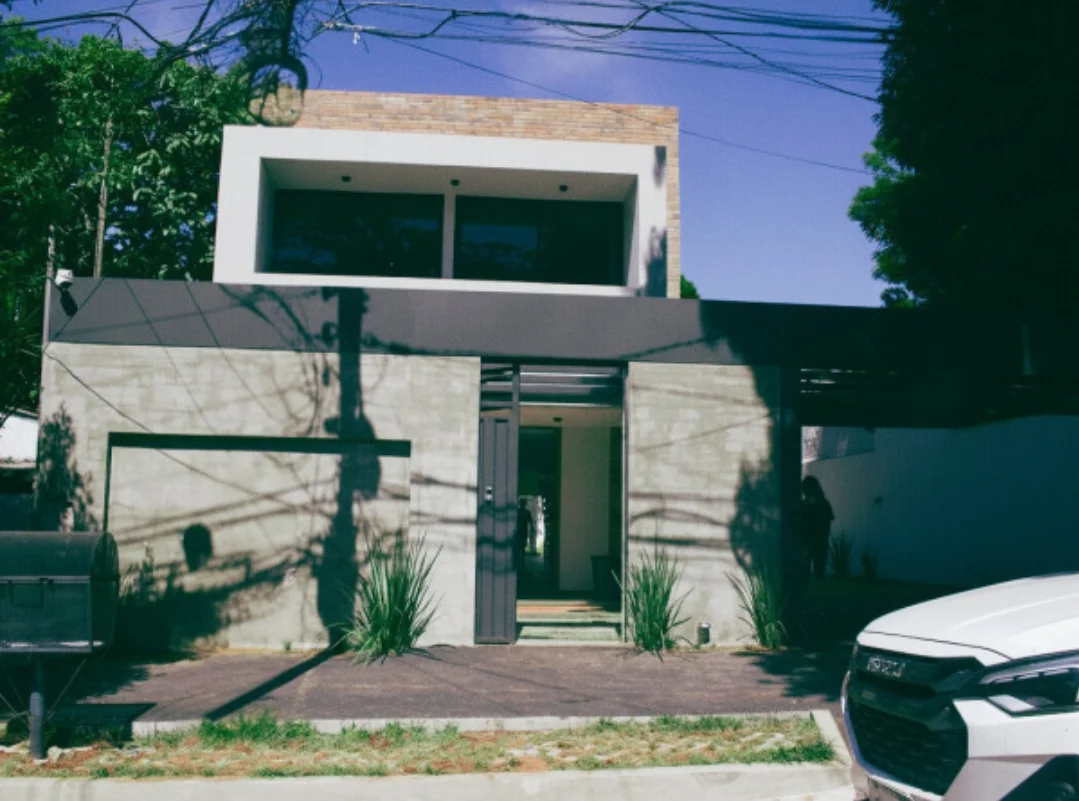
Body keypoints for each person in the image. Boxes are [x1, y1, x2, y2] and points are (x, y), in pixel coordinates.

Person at [801, 476, 834, 581]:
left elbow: (828, 521)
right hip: (812, 541)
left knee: (814, 571)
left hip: (815, 541)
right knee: (811, 572)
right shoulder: (821, 503)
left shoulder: (821, 503)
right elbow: (828, 521)